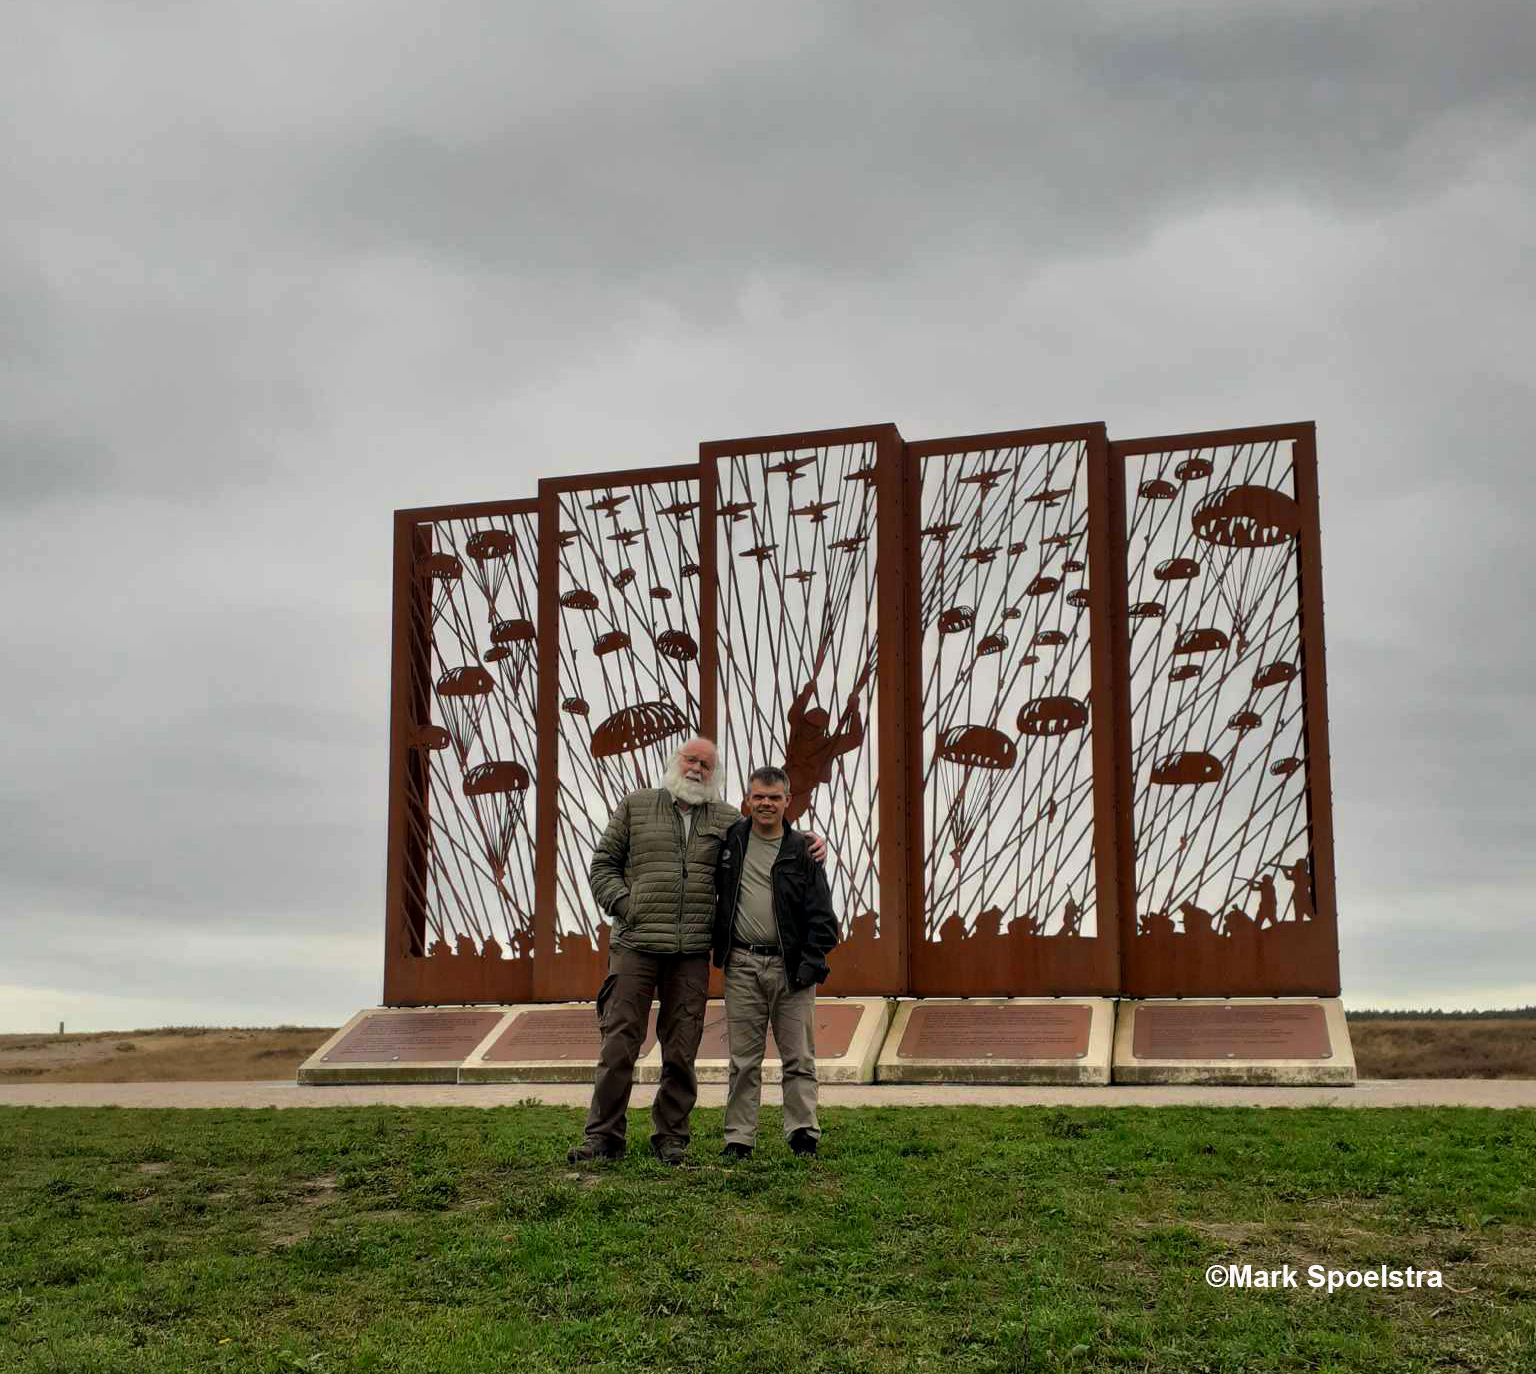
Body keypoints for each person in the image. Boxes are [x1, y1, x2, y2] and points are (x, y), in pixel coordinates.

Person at [569, 738, 826, 1166]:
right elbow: (602, 865)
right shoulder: (635, 806)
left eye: (706, 764)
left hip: (690, 952)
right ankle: (604, 1137)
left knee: (682, 1049)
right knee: (619, 1044)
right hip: (635, 945)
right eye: (691, 760)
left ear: (715, 773)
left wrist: (811, 841)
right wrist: (626, 906)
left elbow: (772, 834)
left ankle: (671, 1136)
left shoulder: (727, 819)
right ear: (676, 762)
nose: (697, 769)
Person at [712, 766, 839, 1161]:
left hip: (791, 967)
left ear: (787, 801)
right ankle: (739, 1140)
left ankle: (803, 1136)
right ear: (748, 800)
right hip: (742, 962)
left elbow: (822, 917)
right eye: (758, 797)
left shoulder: (803, 850)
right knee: (743, 1061)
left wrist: (810, 963)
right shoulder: (730, 841)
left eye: (774, 797)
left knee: (799, 1057)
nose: (765, 804)